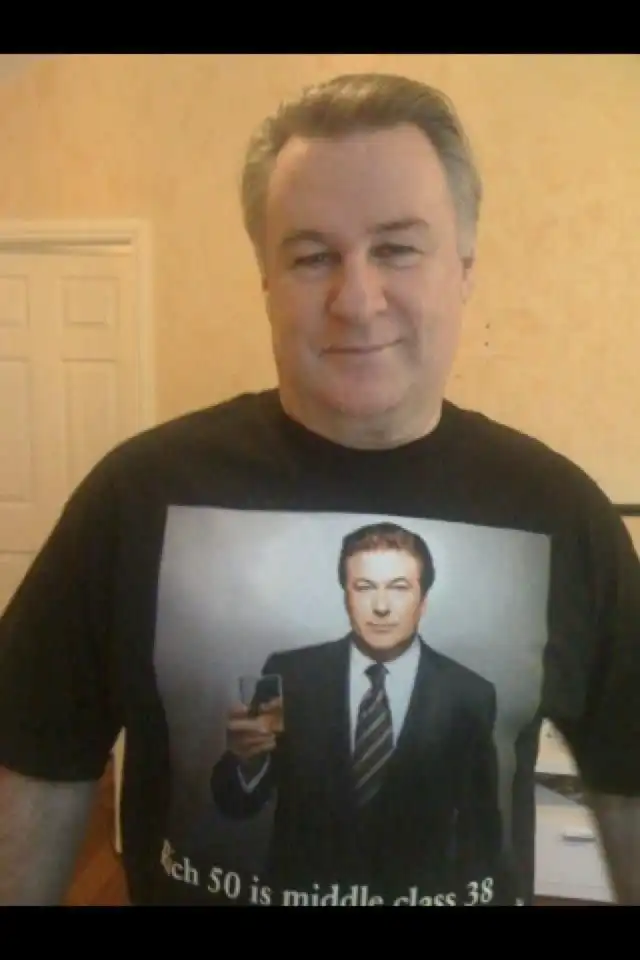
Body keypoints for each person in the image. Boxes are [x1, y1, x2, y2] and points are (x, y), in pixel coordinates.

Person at [0, 71, 639, 907]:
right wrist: (243, 765)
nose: (358, 300)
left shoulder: (561, 516)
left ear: (464, 269)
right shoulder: (135, 499)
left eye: (397, 248)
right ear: (266, 280)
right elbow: (38, 763)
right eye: (311, 256)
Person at [210, 521, 503, 903]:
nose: (381, 606)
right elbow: (236, 806)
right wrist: (247, 764)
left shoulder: (469, 694)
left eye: (399, 587)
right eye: (364, 587)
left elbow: (480, 831)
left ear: (424, 600)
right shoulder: (290, 674)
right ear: (345, 596)